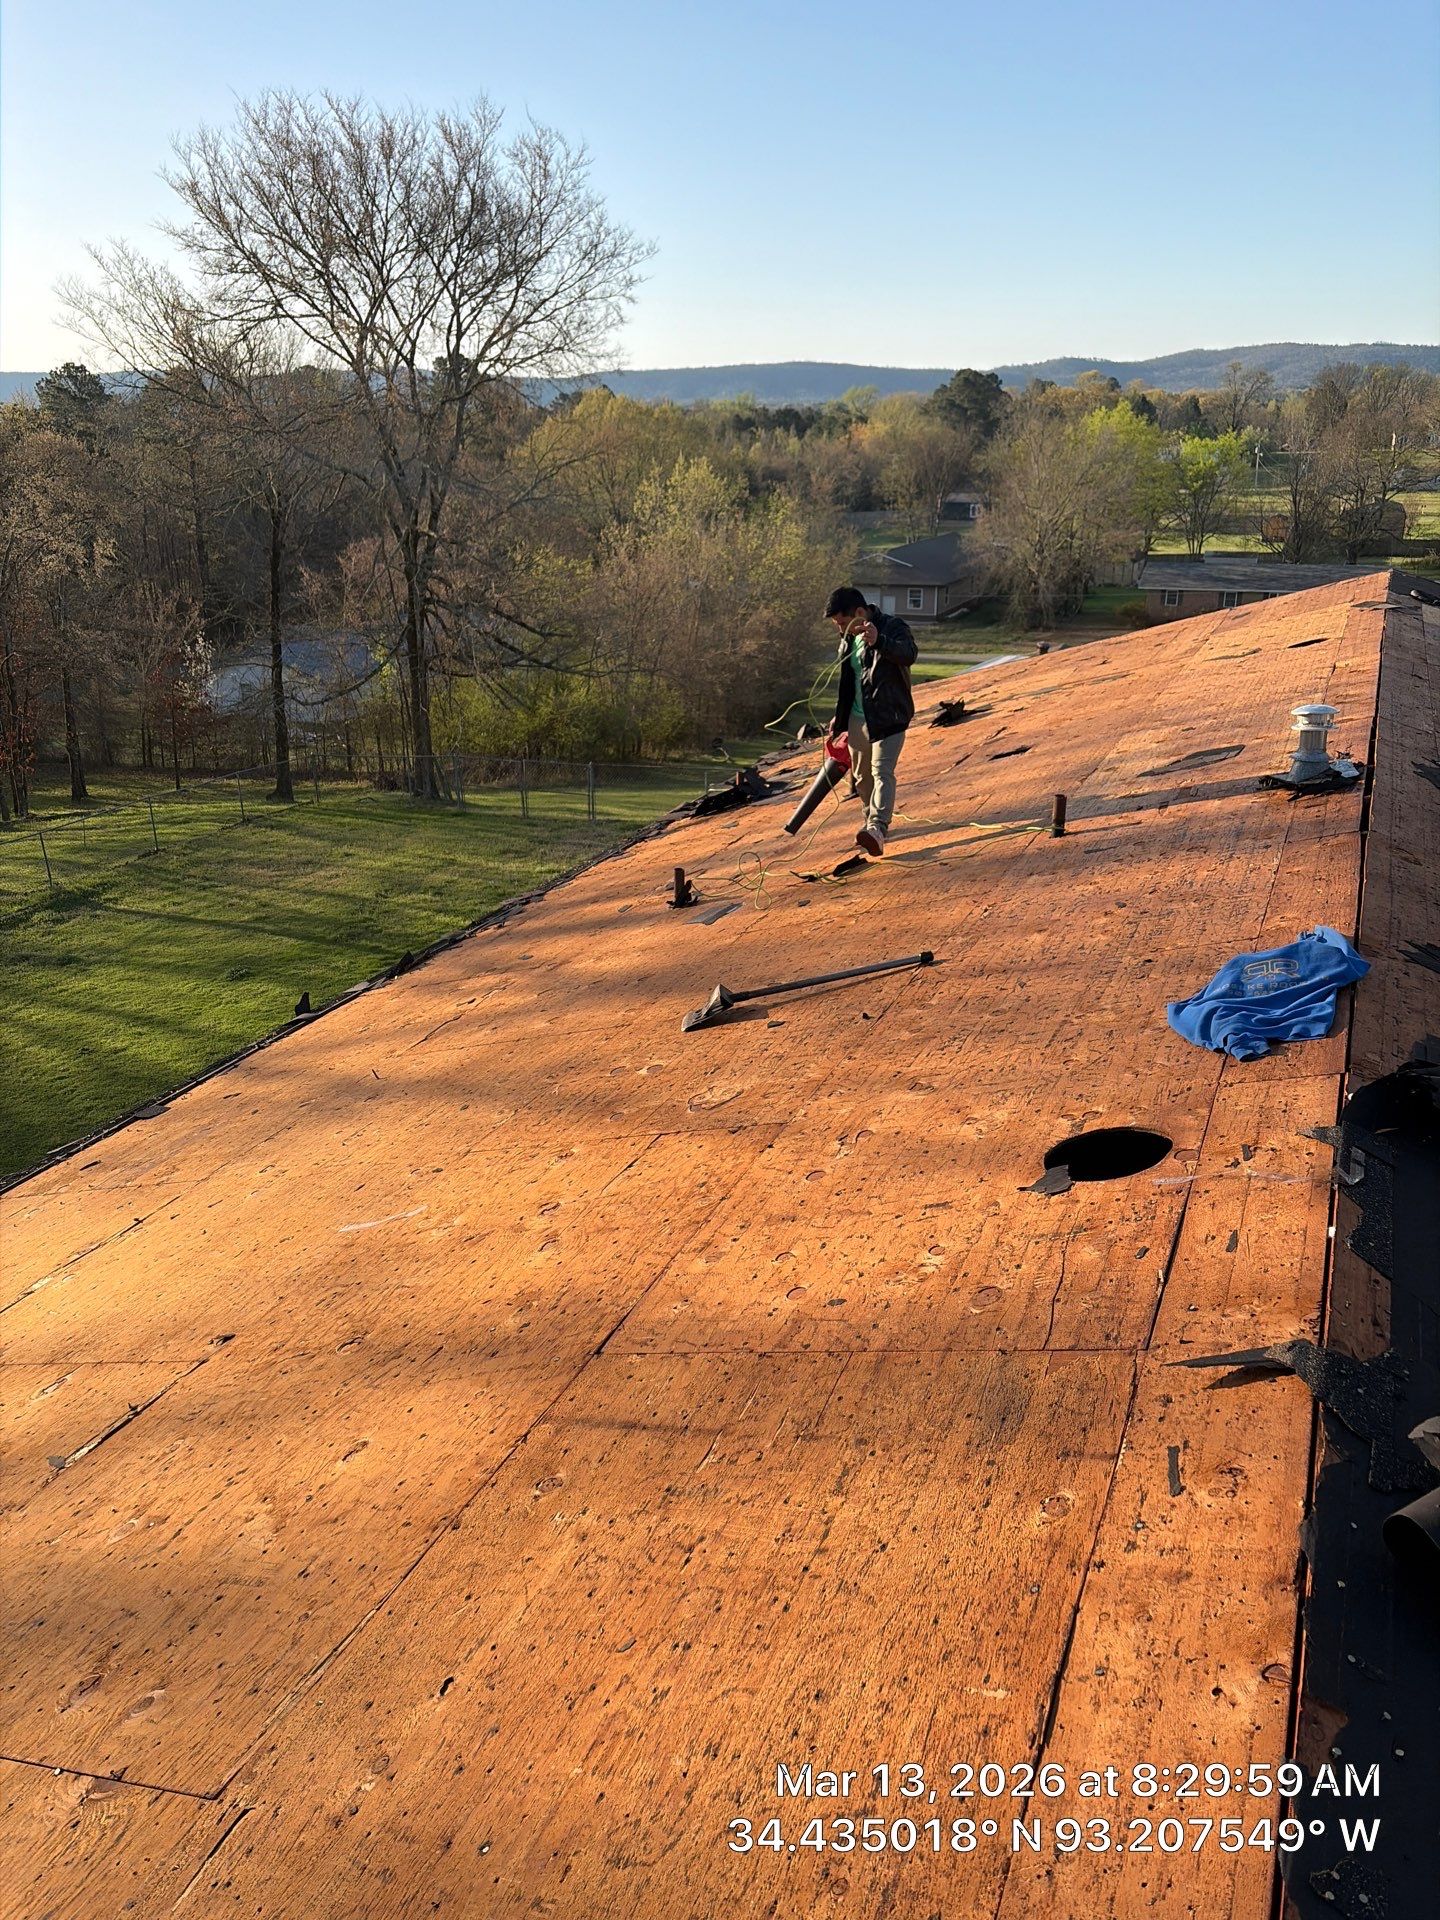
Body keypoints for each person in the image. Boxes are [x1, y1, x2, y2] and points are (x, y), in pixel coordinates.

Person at [823, 586, 917, 857]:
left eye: (842, 622)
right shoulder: (847, 639)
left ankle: (877, 828)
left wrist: (880, 642)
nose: (839, 628)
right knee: (862, 778)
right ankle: (869, 823)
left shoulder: (893, 626)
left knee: (881, 771)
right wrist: (840, 718)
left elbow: (909, 654)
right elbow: (851, 682)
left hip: (890, 715)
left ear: (860, 613)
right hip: (857, 719)